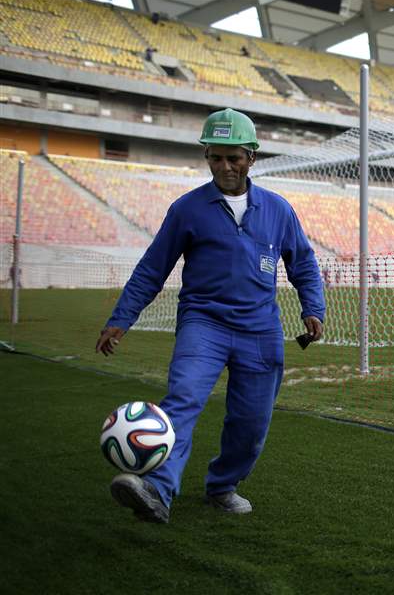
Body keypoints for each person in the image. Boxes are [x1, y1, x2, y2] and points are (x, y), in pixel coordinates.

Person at [96, 108, 325, 524]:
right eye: (215, 157)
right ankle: (156, 491)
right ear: (207, 156)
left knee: (251, 421)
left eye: (233, 157)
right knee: (181, 401)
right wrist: (122, 317)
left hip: (260, 329)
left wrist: (314, 307)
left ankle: (222, 486)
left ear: (251, 157)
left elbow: (304, 264)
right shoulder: (187, 209)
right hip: (204, 324)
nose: (224, 167)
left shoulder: (278, 209)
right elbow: (153, 267)